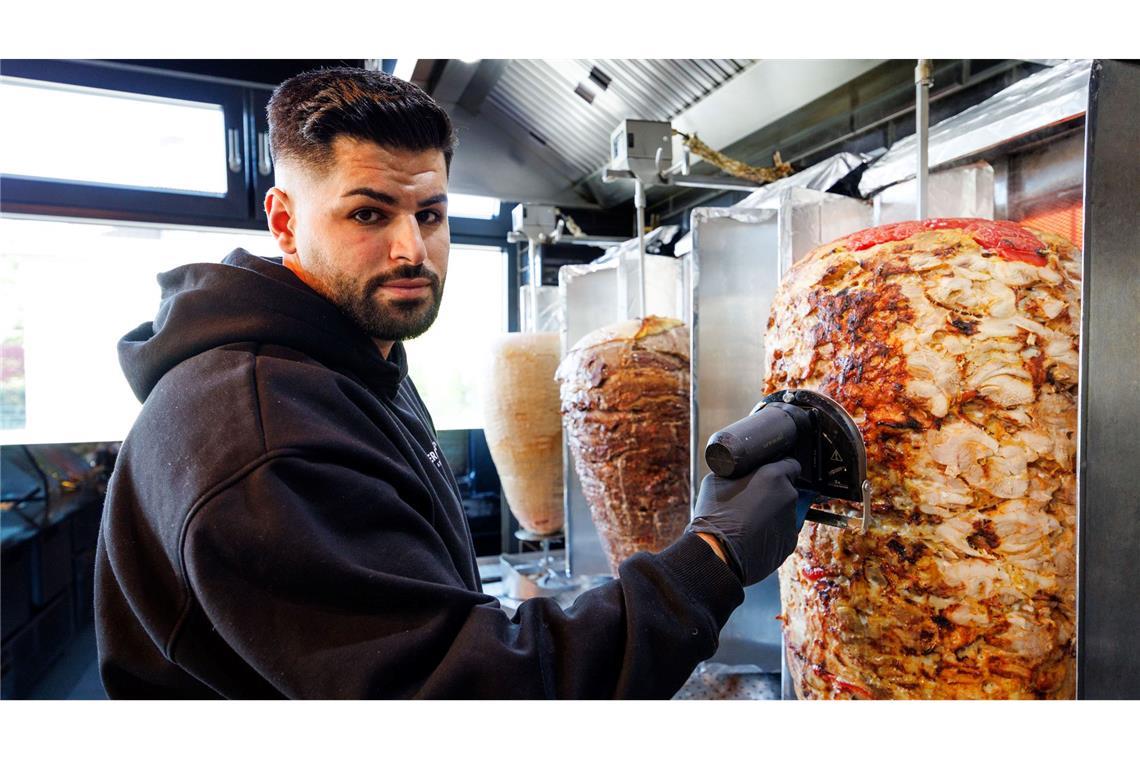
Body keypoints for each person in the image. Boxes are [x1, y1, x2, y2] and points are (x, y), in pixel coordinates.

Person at [94, 67, 803, 699]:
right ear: (284, 222)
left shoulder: (348, 361)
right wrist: (711, 557)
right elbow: (466, 695)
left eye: (430, 215)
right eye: (368, 214)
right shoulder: (262, 434)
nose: (411, 249)